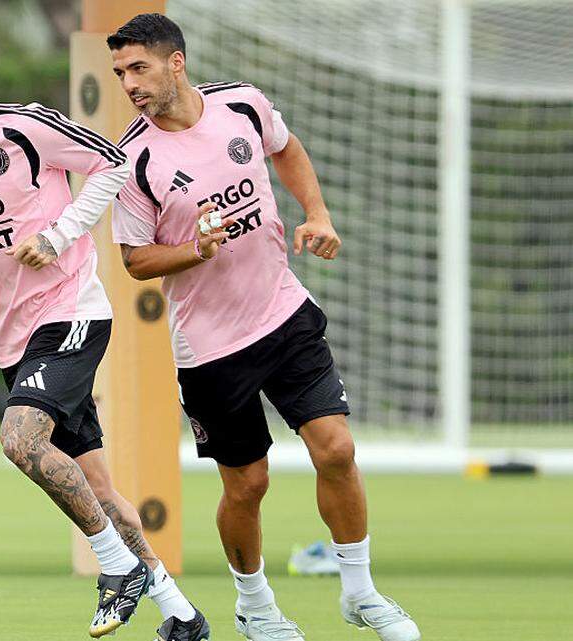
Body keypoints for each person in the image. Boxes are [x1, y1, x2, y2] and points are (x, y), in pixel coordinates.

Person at [0, 39, 209, 640]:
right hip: (10, 341)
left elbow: (112, 163)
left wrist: (59, 235)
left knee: (19, 439)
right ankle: (181, 614)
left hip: (71, 311)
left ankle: (116, 568)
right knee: (99, 489)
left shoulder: (23, 128)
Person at [106, 13, 421, 641]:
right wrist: (194, 249)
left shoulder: (242, 106)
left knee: (337, 448)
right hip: (211, 349)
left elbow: (287, 148)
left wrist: (318, 214)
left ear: (176, 62)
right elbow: (135, 259)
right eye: (119, 73)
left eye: (138, 68)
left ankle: (360, 593)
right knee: (249, 483)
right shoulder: (132, 160)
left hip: (283, 312)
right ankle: (255, 606)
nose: (129, 83)